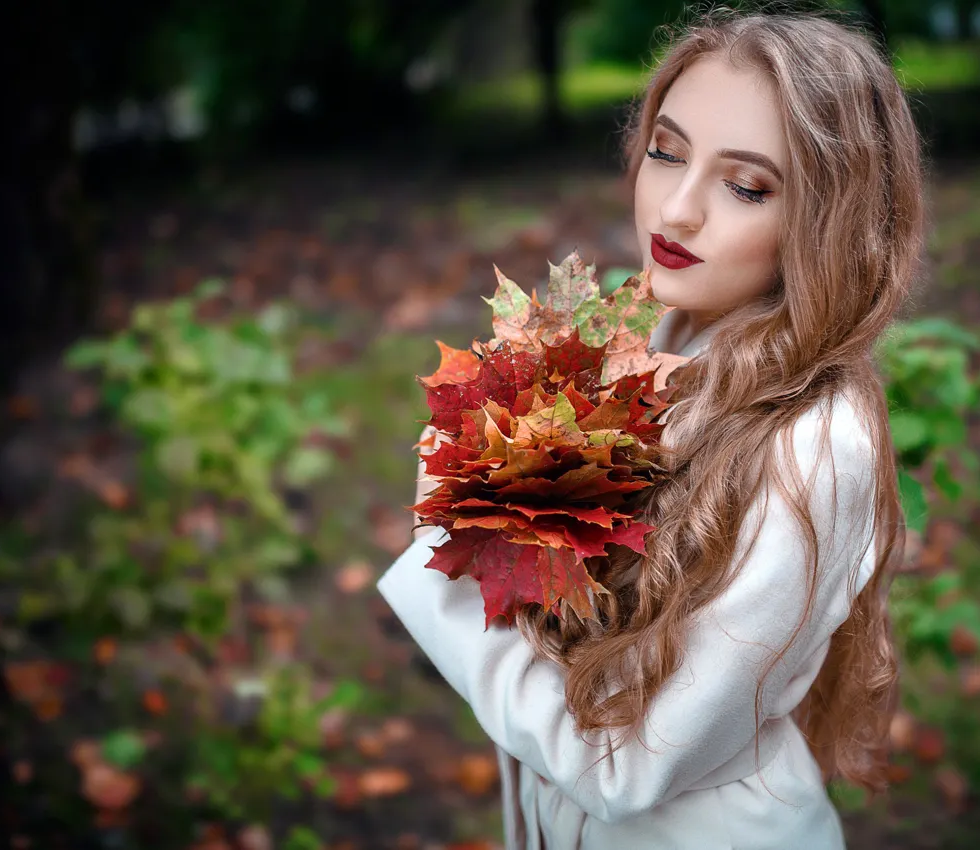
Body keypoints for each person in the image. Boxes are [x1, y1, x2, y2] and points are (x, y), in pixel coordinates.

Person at [377, 10, 926, 849]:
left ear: (829, 221)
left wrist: (447, 544)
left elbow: (623, 769)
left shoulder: (815, 445)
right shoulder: (666, 334)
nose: (675, 209)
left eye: (745, 186)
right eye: (667, 152)